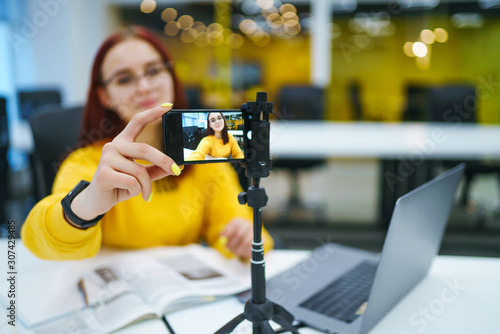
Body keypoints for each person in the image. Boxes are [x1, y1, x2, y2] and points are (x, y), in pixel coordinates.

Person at [21, 26, 273, 261]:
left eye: (153, 71)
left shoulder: (203, 157)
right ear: (104, 96)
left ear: (171, 77)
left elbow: (237, 228)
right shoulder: (88, 164)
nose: (143, 87)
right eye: (124, 79)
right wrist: (83, 208)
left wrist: (244, 237)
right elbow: (40, 242)